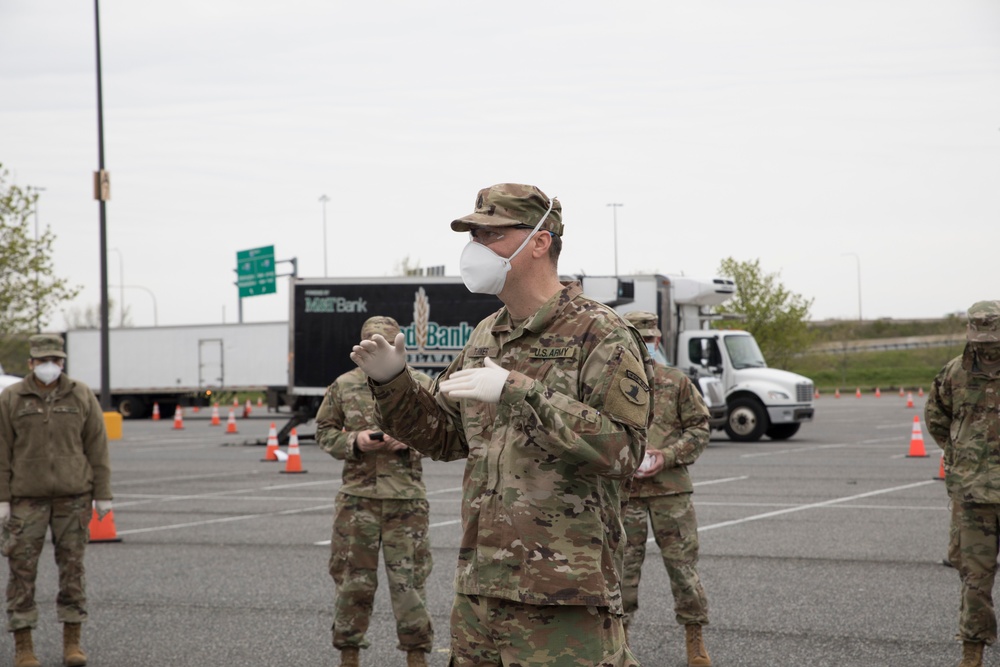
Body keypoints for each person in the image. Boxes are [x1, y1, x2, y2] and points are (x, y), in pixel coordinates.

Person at [350, 183, 653, 667]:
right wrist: (393, 384)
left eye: (490, 234)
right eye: (473, 234)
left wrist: (522, 391)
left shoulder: (600, 332)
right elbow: (447, 436)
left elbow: (623, 450)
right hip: (480, 589)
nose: (475, 248)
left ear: (540, 241)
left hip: (563, 596)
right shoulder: (486, 334)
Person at [316, 316, 434, 667]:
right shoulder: (344, 386)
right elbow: (323, 431)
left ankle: (417, 656)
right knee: (353, 583)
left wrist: (411, 439)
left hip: (406, 501)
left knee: (409, 583)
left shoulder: (420, 384)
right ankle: (348, 655)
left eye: (382, 343)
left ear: (396, 344)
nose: (375, 349)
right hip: (358, 501)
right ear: (360, 346)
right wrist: (354, 440)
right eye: (370, 344)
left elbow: (445, 433)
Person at [0, 334, 113, 667]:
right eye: (43, 360)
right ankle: (24, 647)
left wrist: (103, 494)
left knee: (73, 569)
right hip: (26, 499)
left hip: (74, 497)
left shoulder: (80, 394)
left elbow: (97, 446)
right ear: (31, 363)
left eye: (56, 360)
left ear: (63, 362)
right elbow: (1, 451)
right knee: (21, 571)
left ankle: (72, 644)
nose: (50, 366)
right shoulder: (11, 398)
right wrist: (2, 498)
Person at [620, 311, 712, 667]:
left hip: (670, 493)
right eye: (637, 339)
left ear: (658, 342)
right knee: (621, 573)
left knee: (683, 571)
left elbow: (700, 427)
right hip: (625, 495)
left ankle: (696, 638)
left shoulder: (676, 382)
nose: (644, 346)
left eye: (649, 339)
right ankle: (620, 644)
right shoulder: (610, 384)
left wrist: (669, 455)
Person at [925, 301, 1000, 667]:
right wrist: (963, 456)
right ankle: (973, 653)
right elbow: (936, 417)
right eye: (981, 338)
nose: (987, 346)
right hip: (973, 496)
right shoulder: (954, 373)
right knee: (974, 580)